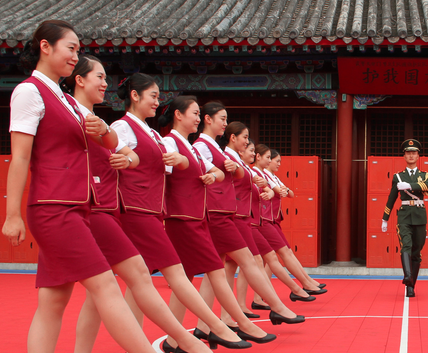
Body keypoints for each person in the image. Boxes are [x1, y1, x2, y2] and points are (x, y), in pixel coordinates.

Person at [2, 21, 156, 353]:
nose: (76, 57)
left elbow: (110, 142)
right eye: (71, 49)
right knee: (106, 287)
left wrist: (103, 128)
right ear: (46, 47)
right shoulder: (30, 92)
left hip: (75, 207)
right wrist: (11, 214)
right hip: (54, 209)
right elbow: (20, 158)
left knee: (53, 303)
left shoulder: (66, 100)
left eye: (78, 50)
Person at [65, 56, 212, 353]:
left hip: (122, 210)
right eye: (154, 96)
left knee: (104, 292)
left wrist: (131, 159)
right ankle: (205, 335)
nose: (105, 83)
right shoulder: (110, 122)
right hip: (121, 210)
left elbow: (129, 156)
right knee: (163, 276)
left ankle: (193, 337)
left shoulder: (148, 133)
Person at [110, 75, 249, 352]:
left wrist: (193, 165)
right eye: (153, 95)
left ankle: (161, 340)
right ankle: (214, 329)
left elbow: (177, 166)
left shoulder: (151, 133)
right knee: (170, 275)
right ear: (135, 96)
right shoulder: (122, 127)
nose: (157, 101)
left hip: (154, 212)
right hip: (139, 211)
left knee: (129, 285)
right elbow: (124, 159)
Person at [158, 97, 279, 349]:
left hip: (197, 215)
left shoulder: (192, 145)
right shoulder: (175, 142)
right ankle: (228, 325)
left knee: (187, 277)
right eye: (195, 113)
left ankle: (184, 336)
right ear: (179, 115)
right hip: (187, 217)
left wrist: (214, 172)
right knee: (214, 269)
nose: (198, 117)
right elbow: (165, 170)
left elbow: (213, 172)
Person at [190, 119, 304, 342]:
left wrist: (270, 190)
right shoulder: (213, 150)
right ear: (233, 138)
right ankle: (277, 305)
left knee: (220, 270)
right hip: (224, 215)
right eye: (246, 140)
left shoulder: (229, 157)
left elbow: (257, 182)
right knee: (250, 261)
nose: (249, 146)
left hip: (234, 216)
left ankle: (209, 324)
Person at [235, 143, 316, 314]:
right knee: (263, 259)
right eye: (270, 158)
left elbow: (285, 192)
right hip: (254, 221)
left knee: (256, 262)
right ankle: (296, 288)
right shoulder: (250, 171)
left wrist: (272, 191)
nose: (275, 162)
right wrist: (273, 191)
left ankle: (251, 303)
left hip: (258, 220)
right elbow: (275, 190)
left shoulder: (257, 173)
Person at [382, 139, 428, 297]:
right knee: (406, 245)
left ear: (418, 156)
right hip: (404, 215)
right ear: (404, 156)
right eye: (408, 153)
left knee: (416, 252)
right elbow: (392, 197)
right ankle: (407, 277)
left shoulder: (425, 175)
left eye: (414, 153)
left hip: (419, 215)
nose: (411, 155)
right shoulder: (398, 176)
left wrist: (410, 186)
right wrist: (385, 218)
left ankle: (412, 285)